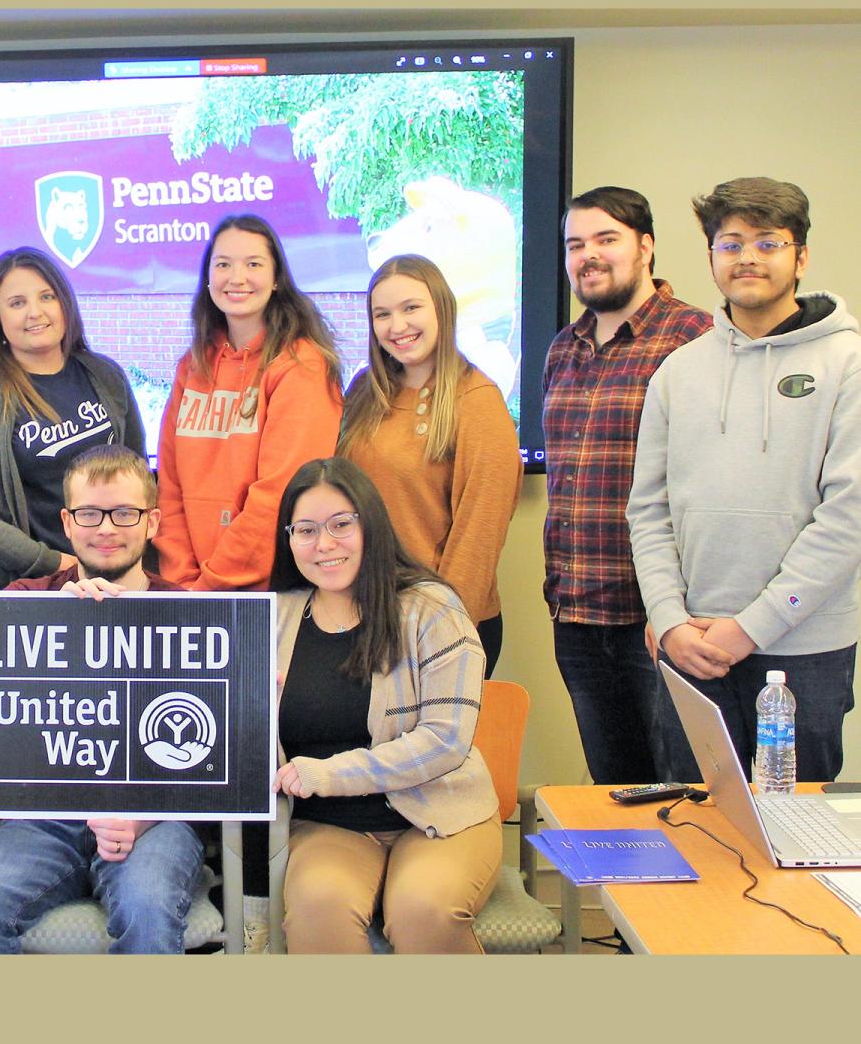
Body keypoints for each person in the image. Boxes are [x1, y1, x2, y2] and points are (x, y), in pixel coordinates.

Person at [629, 177, 861, 783]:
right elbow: (647, 511)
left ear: (800, 256)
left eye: (768, 243)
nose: (748, 259)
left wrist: (749, 628)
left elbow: (848, 516)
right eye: (730, 245)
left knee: (794, 845)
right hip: (692, 644)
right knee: (697, 829)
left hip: (803, 650)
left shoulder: (848, 364)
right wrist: (669, 619)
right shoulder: (677, 373)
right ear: (710, 257)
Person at [0, 445, 206, 953]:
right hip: (42, 819)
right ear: (67, 522)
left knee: (148, 912)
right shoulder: (23, 597)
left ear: (151, 522)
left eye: (124, 513)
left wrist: (142, 816)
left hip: (152, 818)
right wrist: (49, 624)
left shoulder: (187, 613)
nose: (106, 528)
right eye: (89, 513)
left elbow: (212, 761)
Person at [270, 457, 498, 953]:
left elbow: (446, 740)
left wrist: (329, 774)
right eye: (305, 529)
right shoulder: (274, 616)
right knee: (317, 911)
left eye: (340, 525)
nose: (323, 544)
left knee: (423, 911)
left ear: (370, 524)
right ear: (288, 539)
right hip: (329, 825)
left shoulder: (434, 609)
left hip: (439, 814)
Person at [543, 186, 710, 784]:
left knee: (682, 794)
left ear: (646, 246)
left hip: (661, 620)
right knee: (616, 793)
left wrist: (676, 611)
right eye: (575, 244)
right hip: (579, 618)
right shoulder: (563, 350)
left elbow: (708, 489)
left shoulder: (697, 339)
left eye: (606, 239)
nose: (589, 256)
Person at [338, 254, 521, 676]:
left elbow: (479, 535)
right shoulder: (364, 391)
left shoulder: (476, 400)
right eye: (382, 314)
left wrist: (440, 629)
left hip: (438, 623)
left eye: (411, 308)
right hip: (365, 614)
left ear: (442, 307)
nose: (397, 326)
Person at [0, 246, 144, 590]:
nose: (35, 312)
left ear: (65, 303)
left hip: (108, 582)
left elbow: (138, 475)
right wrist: (51, 562)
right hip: (17, 589)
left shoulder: (105, 375)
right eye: (17, 303)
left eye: (47, 296)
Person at [155, 213, 343, 591]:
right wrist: (181, 583)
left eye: (253, 264)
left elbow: (280, 495)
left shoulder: (301, 366)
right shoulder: (191, 367)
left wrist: (209, 587)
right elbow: (169, 489)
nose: (236, 277)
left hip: (272, 593)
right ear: (208, 278)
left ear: (276, 279)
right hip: (191, 590)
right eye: (223, 264)